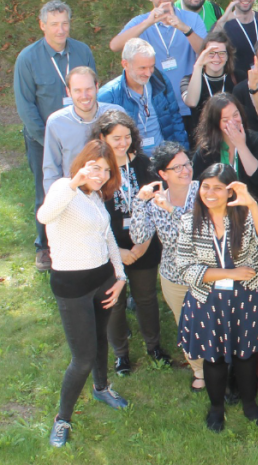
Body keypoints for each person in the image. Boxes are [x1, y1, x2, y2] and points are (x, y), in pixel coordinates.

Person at [38, 140, 129, 447]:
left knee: (100, 340)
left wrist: (120, 277)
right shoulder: (65, 188)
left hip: (102, 279)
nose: (102, 175)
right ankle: (62, 418)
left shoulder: (95, 197)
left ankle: (101, 389)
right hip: (71, 287)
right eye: (96, 168)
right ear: (83, 163)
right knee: (83, 358)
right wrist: (75, 182)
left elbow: (109, 239)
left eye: (107, 170)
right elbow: (44, 216)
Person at [175, 163, 258, 432]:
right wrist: (228, 273)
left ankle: (249, 404)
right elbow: (184, 267)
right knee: (214, 358)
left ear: (230, 191)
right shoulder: (188, 222)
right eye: (205, 187)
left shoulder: (243, 215)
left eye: (218, 188)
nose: (210, 193)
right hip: (208, 298)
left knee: (245, 355)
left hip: (247, 295)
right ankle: (216, 408)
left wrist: (252, 204)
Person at [14, 0, 96, 271]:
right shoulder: (28, 58)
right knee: (46, 190)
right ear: (42, 25)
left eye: (65, 23)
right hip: (42, 139)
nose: (60, 30)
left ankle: (87, 234)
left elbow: (92, 90)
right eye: (54, 25)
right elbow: (25, 105)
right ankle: (45, 246)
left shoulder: (82, 51)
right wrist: (45, 139)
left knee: (87, 186)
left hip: (81, 134)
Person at [90, 110, 172, 376]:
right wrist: (119, 252)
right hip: (109, 247)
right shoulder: (97, 170)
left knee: (146, 298)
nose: (123, 143)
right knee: (114, 302)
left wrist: (141, 246)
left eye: (127, 137)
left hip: (144, 245)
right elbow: (92, 217)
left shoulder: (144, 164)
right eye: (116, 138)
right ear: (103, 138)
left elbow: (154, 210)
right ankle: (121, 355)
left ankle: (154, 347)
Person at [130, 142, 206, 390]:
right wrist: (140, 203)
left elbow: (199, 234)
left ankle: (223, 366)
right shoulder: (155, 203)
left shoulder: (205, 192)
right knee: (188, 326)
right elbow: (140, 238)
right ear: (163, 174)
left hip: (209, 274)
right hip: (174, 277)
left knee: (215, 324)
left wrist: (171, 210)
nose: (186, 170)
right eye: (178, 167)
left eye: (187, 164)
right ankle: (199, 371)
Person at [110, 0, 206, 118]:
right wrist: (148, 23)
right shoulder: (141, 21)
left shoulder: (192, 19)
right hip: (158, 107)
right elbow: (115, 46)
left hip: (190, 103)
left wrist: (184, 28)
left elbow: (204, 51)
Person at [97, 38, 189, 154]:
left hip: (165, 159)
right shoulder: (108, 97)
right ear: (125, 64)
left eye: (152, 66)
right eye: (142, 68)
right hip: (133, 161)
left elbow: (175, 119)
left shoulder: (161, 81)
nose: (148, 73)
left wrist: (183, 152)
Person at [43, 67, 125, 191]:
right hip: (76, 193)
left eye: (89, 89)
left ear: (97, 88)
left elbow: (131, 154)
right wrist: (55, 201)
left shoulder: (116, 114)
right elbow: (51, 170)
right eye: (78, 91)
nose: (84, 96)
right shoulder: (56, 123)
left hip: (112, 190)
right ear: (68, 92)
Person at [192, 93, 258, 215]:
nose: (233, 122)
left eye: (235, 115)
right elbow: (197, 185)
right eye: (225, 120)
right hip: (219, 212)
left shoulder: (257, 140)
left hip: (255, 210)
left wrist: (241, 146)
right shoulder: (206, 150)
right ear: (215, 123)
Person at [181, 32, 237, 145]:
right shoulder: (189, 80)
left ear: (228, 56)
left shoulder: (238, 78)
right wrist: (198, 66)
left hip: (233, 140)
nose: (216, 58)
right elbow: (191, 102)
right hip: (204, 144)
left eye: (221, 53)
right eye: (211, 53)